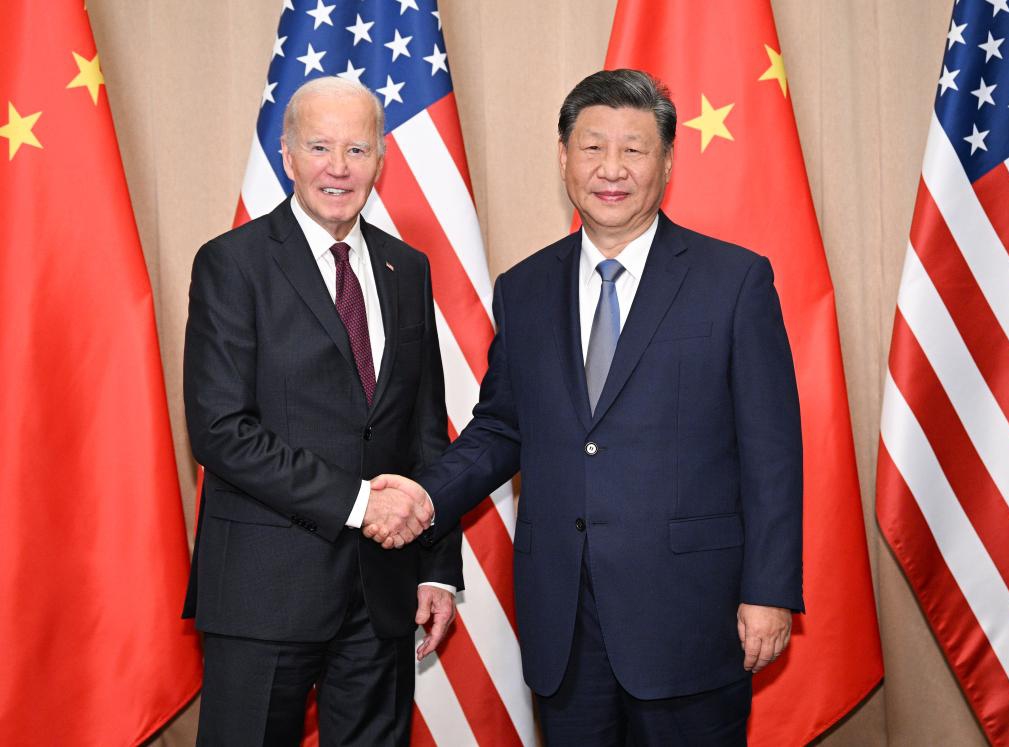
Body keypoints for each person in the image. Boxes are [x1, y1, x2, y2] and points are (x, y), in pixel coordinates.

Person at [369, 69, 803, 745]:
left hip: (691, 614)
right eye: (593, 146)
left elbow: (773, 452)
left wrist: (770, 589)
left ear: (666, 162)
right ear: (564, 156)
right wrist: (425, 495)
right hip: (565, 620)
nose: (612, 167)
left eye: (634, 149)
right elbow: (503, 426)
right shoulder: (525, 287)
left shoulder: (735, 281)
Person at [182, 76, 461, 746]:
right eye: (319, 146)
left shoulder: (408, 268)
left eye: (357, 149)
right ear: (286, 154)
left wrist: (434, 563)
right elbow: (220, 430)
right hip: (263, 590)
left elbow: (424, 426)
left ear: (381, 161)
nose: (338, 167)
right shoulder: (232, 263)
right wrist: (363, 503)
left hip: (383, 593)